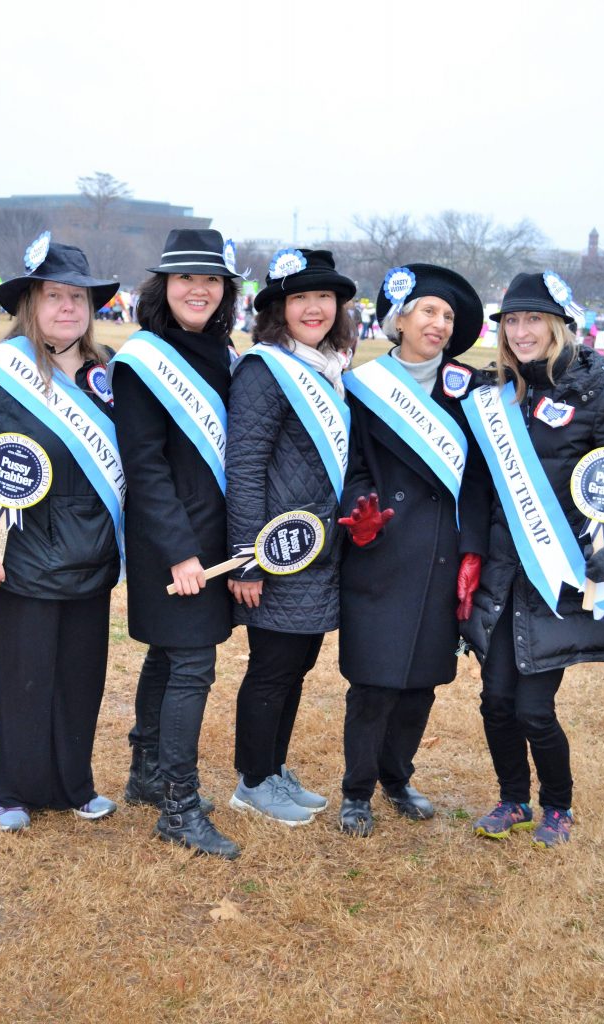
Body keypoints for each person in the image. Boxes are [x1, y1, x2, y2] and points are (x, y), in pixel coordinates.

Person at [0, 234, 123, 831]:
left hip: (92, 561)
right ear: (30, 303)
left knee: (81, 678)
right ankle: (12, 791)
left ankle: (74, 785)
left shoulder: (107, 378)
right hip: (21, 558)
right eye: (55, 296)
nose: (68, 308)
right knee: (23, 679)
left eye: (78, 297)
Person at [460, 272, 604, 847]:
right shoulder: (492, 394)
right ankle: (513, 799)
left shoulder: (597, 396)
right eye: (511, 320)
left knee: (535, 707)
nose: (521, 330)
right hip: (503, 574)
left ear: (559, 325)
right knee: (495, 700)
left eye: (533, 318)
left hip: (559, 576)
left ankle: (557, 806)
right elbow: (480, 484)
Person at [337, 264, 489, 837]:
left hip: (441, 553)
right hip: (381, 548)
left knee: (422, 681)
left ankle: (396, 777)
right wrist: (361, 512)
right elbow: (348, 466)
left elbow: (478, 479)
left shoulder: (471, 390)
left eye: (448, 316)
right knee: (374, 680)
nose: (439, 323)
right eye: (428, 311)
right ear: (399, 318)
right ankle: (356, 791)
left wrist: (473, 549)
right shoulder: (362, 387)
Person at [110, 228, 241, 860]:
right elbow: (146, 464)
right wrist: (181, 551)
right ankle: (179, 808)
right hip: (173, 539)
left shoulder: (221, 349)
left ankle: (147, 774)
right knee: (192, 664)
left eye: (212, 279)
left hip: (211, 536)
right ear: (163, 286)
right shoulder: (143, 358)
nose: (200, 289)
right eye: (187, 278)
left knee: (168, 657)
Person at [226, 248, 356, 825]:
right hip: (277, 552)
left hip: (318, 551)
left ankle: (273, 769)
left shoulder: (329, 366)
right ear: (279, 308)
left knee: (297, 663)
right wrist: (246, 558)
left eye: (323, 296)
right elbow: (246, 467)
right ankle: (252, 780)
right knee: (272, 667)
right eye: (300, 297)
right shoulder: (265, 368)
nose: (314, 307)